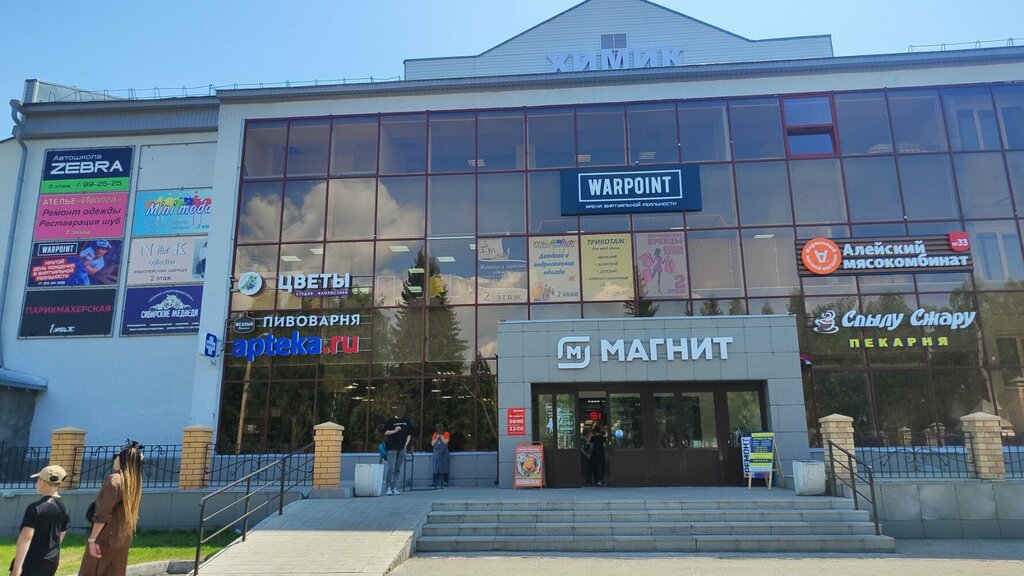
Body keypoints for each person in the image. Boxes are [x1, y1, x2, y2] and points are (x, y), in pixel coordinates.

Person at [78, 441, 143, 576]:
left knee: (91, 571)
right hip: (122, 537)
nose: (115, 458)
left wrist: (92, 539)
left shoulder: (115, 479)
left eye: (118, 455)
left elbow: (103, 513)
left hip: (105, 537)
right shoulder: (134, 482)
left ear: (123, 459)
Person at [10, 465, 70, 576]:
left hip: (31, 561)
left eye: (38, 480)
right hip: (51, 561)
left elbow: (26, 538)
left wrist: (17, 568)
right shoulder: (63, 507)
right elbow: (61, 534)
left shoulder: (35, 508)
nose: (37, 483)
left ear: (43, 482)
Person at [382, 406, 414, 495]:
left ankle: (394, 487)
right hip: (392, 447)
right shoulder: (391, 421)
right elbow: (385, 432)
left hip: (402, 448)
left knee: (397, 468)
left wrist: (406, 444)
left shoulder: (406, 421)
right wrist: (395, 431)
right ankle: (388, 487)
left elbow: (409, 434)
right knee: (391, 468)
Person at [430, 423, 450, 488]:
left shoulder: (446, 434)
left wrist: (441, 436)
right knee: (435, 466)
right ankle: (434, 482)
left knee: (445, 466)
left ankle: (445, 481)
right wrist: (436, 438)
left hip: (444, 452)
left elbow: (446, 442)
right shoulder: (435, 434)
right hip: (436, 452)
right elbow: (432, 444)